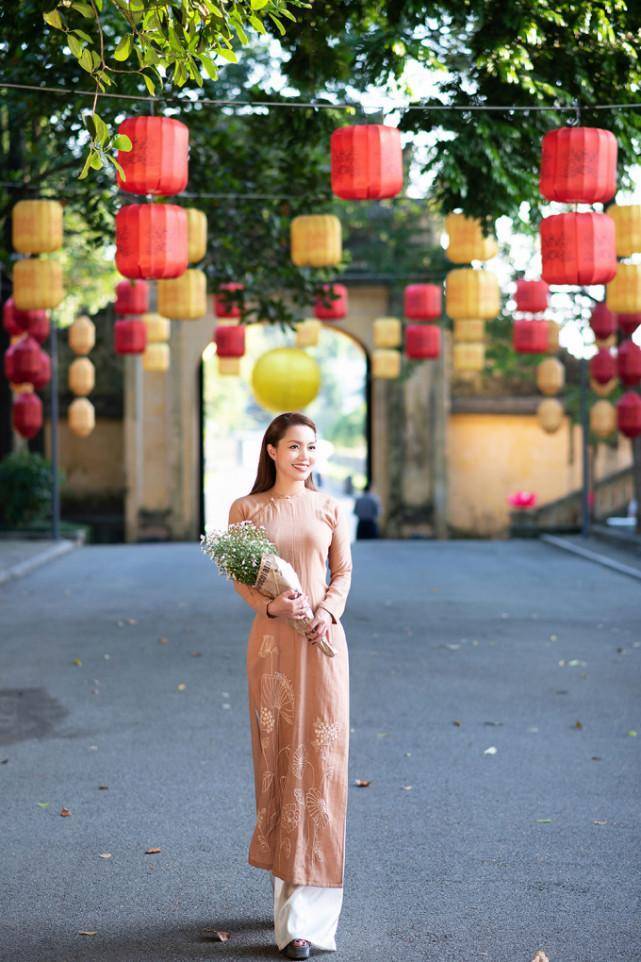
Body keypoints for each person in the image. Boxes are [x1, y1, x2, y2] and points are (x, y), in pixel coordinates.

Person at [228, 412, 353, 960]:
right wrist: (270, 604)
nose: (306, 456)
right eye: (295, 446)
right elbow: (239, 575)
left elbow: (342, 572)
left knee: (322, 768)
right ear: (272, 451)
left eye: (312, 447)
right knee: (281, 763)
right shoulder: (247, 510)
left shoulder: (329, 507)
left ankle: (307, 922)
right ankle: (287, 891)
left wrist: (327, 609)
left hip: (323, 647)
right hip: (273, 647)